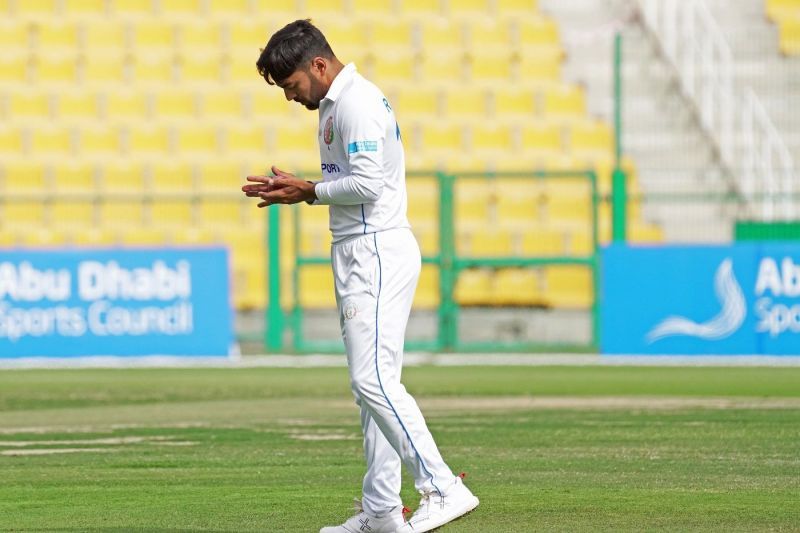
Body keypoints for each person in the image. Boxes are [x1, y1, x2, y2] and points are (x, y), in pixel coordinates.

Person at [242, 19, 479, 533]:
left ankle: (442, 487)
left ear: (319, 65)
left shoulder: (357, 104)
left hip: (374, 250)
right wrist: (308, 188)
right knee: (374, 385)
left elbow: (369, 184)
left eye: (291, 86)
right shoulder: (335, 104)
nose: (289, 97)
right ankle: (381, 513)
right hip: (362, 247)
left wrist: (309, 190)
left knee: (370, 379)